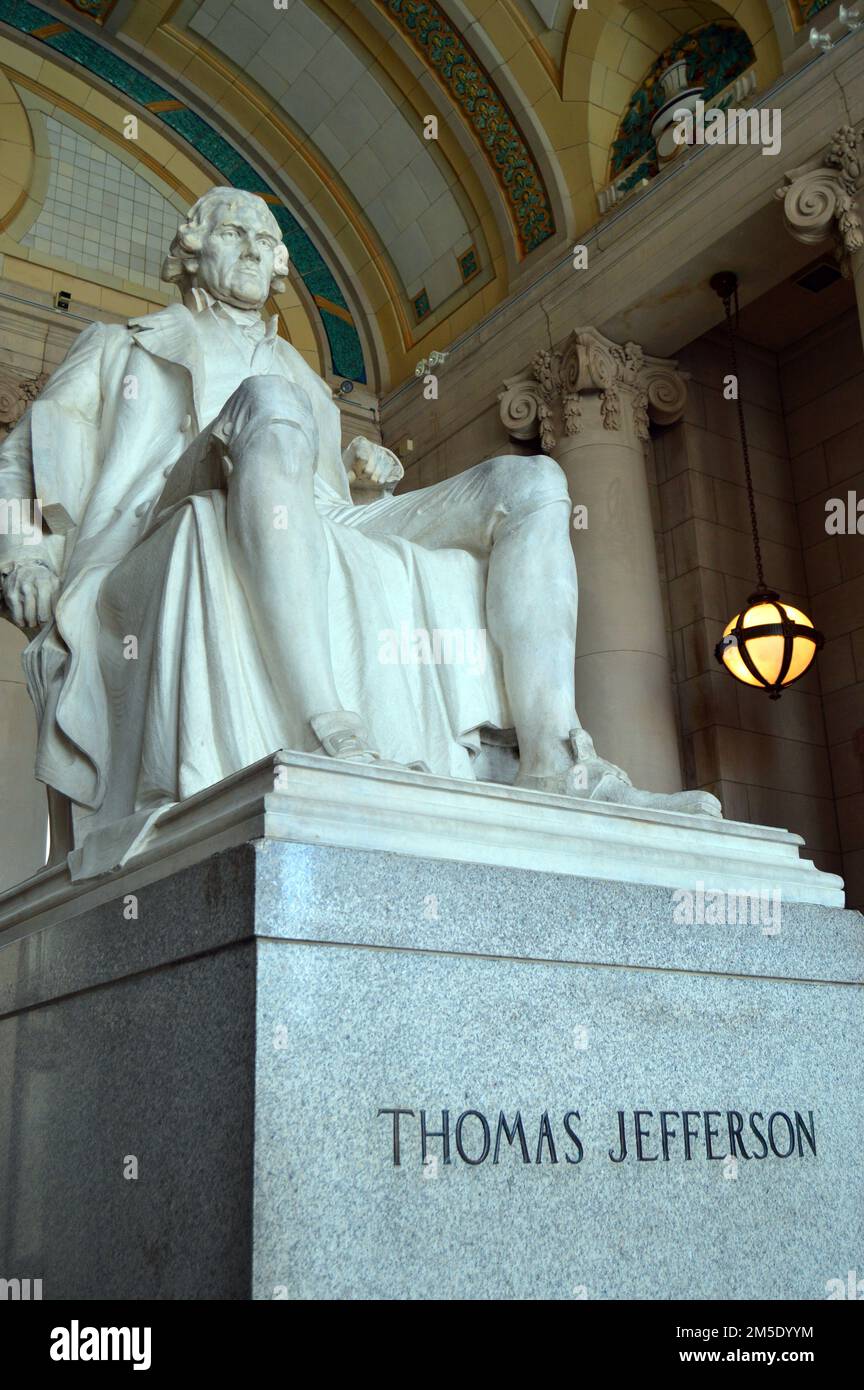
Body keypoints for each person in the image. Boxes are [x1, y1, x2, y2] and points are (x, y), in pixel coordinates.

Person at [0, 188, 719, 873]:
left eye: (266, 241)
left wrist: (357, 475)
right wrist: (24, 551)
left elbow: (314, 497)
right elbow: (19, 460)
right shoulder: (120, 345)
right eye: (231, 234)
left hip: (318, 510)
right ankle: (324, 724)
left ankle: (555, 759)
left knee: (529, 485)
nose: (253, 251)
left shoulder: (297, 372)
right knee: (268, 404)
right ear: (190, 252)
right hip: (162, 512)